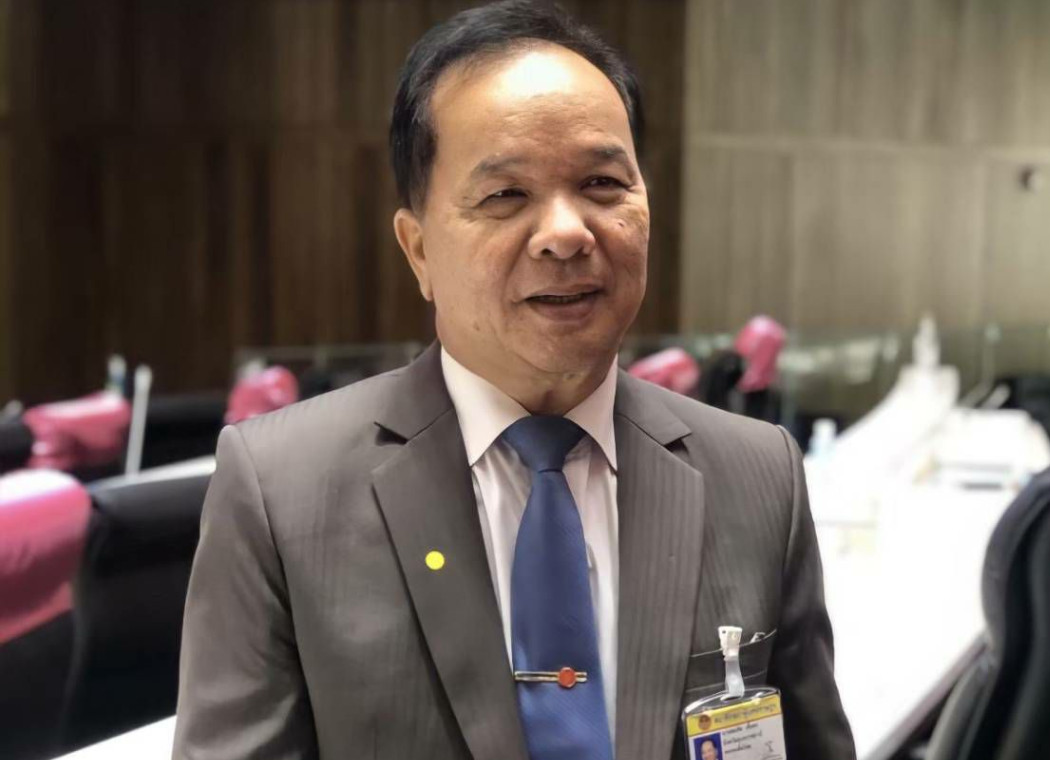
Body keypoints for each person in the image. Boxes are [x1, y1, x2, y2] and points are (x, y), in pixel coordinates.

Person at [173, 2, 854, 758]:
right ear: (419, 250)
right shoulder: (279, 490)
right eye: (505, 196)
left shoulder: (758, 475)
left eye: (602, 183)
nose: (566, 233)